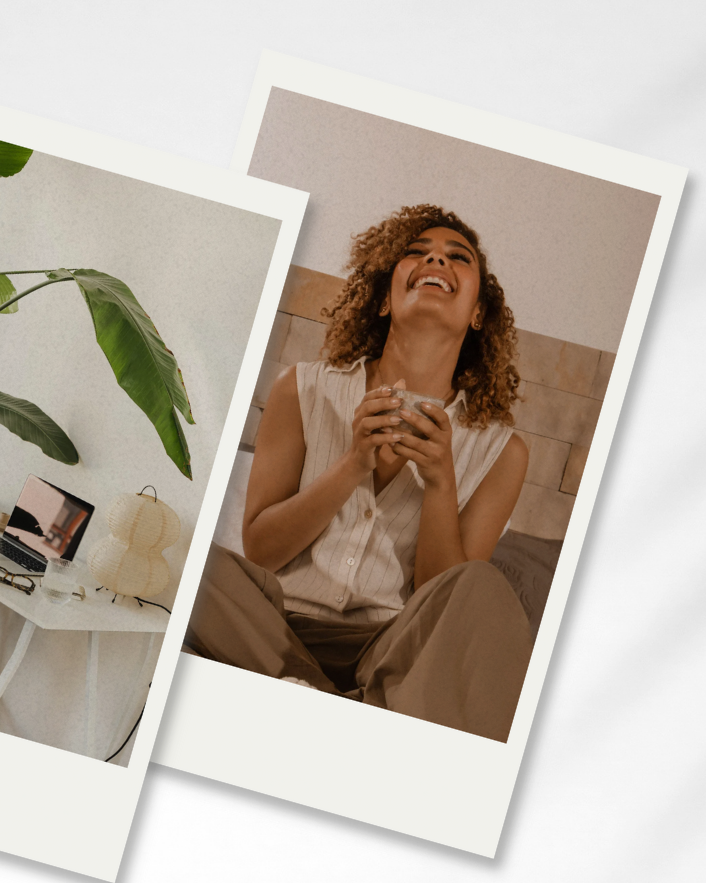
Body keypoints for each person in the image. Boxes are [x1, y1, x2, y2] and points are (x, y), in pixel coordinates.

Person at [185, 205, 534, 741]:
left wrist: (442, 482)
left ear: (479, 313)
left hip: (391, 647)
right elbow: (260, 549)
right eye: (415, 252)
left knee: (482, 588)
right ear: (384, 296)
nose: (435, 257)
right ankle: (329, 700)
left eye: (456, 257)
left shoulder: (502, 451)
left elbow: (444, 604)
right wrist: (352, 465)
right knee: (190, 557)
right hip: (275, 626)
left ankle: (303, 694)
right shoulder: (302, 389)